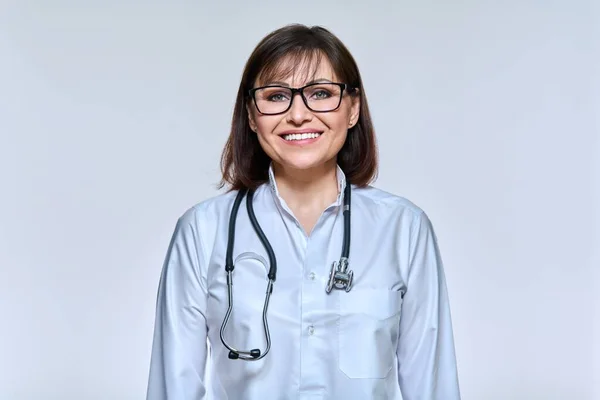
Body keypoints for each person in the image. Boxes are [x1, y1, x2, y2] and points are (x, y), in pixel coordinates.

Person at [146, 24, 461, 400]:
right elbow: (172, 388)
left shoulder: (403, 230)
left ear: (353, 109)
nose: (298, 114)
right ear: (251, 115)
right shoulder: (202, 231)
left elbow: (433, 387)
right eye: (277, 96)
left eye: (321, 94)